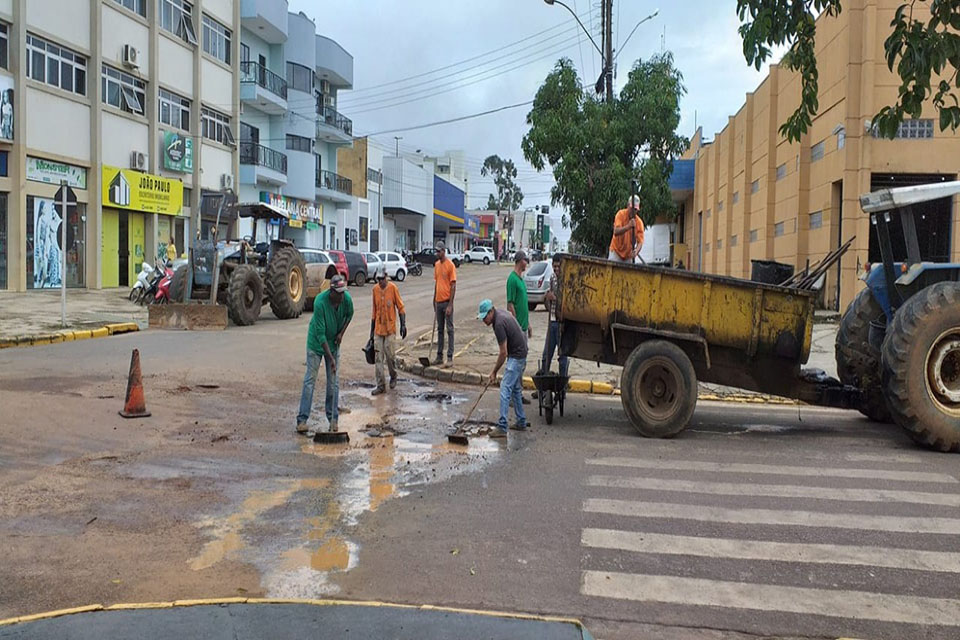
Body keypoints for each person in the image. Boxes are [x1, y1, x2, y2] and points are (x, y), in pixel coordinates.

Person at [297, 274, 353, 435]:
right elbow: (321, 335)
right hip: (316, 344)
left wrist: (341, 333)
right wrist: (331, 358)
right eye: (339, 293)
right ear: (332, 292)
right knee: (310, 380)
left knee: (333, 383)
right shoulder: (320, 302)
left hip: (334, 344)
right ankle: (302, 420)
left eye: (343, 292)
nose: (342, 296)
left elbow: (350, 315)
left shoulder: (346, 299)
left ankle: (333, 420)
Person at [478, 299, 528, 438]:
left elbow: (503, 352)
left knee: (505, 388)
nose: (484, 321)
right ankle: (521, 421)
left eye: (484, 317)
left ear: (491, 311)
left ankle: (502, 426)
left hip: (516, 355)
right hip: (521, 352)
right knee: (516, 389)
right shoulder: (500, 315)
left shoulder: (498, 323)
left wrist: (494, 372)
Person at [370, 266, 406, 395]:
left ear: (386, 277)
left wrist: (403, 325)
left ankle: (393, 375)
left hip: (390, 329)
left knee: (390, 356)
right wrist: (371, 333)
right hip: (378, 330)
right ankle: (380, 385)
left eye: (382, 279)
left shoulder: (393, 289)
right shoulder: (375, 290)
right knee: (378, 358)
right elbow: (374, 313)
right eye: (378, 279)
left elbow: (401, 308)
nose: (380, 282)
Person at [432, 240, 457, 366]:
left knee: (450, 330)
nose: (437, 253)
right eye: (436, 251)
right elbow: (437, 283)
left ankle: (450, 356)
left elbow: (453, 286)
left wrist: (450, 305)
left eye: (439, 251)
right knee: (440, 330)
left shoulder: (450, 265)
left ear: (444, 251)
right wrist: (434, 299)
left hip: (447, 302)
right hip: (438, 301)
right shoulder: (436, 265)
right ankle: (439, 356)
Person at [540, 288, 569, 380]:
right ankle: (544, 382)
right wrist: (547, 297)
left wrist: (556, 299)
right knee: (546, 354)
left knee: (563, 356)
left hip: (561, 323)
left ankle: (562, 382)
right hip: (552, 322)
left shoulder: (565, 281)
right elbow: (548, 303)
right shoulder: (552, 278)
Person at [608, 195, 645, 263]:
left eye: (635, 210)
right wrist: (628, 226)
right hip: (616, 252)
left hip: (628, 255)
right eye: (632, 208)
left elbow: (640, 241)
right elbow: (616, 231)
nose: (633, 211)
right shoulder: (620, 214)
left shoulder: (639, 222)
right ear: (628, 205)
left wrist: (636, 251)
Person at [506, 250, 532, 338]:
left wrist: (528, 324)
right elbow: (510, 305)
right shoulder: (512, 279)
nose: (526, 264)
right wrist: (516, 326)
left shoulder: (521, 280)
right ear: (521, 261)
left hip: (523, 327)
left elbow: (523, 304)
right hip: (518, 328)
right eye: (526, 261)